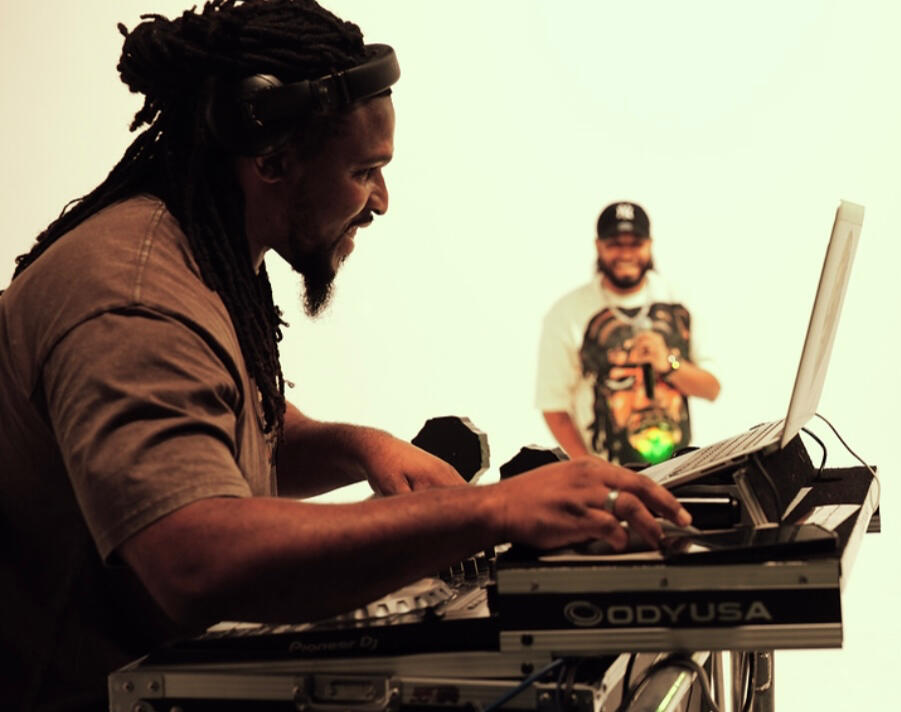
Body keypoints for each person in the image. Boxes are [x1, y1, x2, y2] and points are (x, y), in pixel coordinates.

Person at [0, 4, 692, 710]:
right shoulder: (133, 299)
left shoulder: (201, 251)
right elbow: (193, 557)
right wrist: (493, 511)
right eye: (365, 171)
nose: (381, 201)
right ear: (271, 160)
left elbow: (225, 428)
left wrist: (359, 447)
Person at [536, 201, 721, 466]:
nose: (626, 254)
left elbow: (712, 388)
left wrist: (669, 364)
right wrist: (591, 471)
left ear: (650, 244)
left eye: (635, 243)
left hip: (683, 474)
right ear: (598, 246)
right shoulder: (568, 314)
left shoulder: (680, 300)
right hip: (607, 479)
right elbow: (554, 406)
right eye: (615, 244)